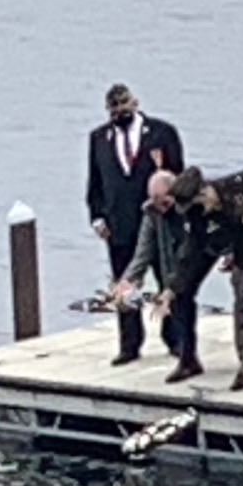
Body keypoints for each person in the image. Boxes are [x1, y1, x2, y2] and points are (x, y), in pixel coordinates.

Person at [85, 84, 185, 365]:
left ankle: (175, 338)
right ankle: (129, 345)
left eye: (124, 103)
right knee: (124, 283)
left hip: (161, 221)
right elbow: (95, 184)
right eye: (114, 106)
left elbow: (179, 177)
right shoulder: (98, 139)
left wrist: (177, 214)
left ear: (135, 102)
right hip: (120, 225)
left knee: (169, 278)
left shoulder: (162, 133)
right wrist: (97, 217)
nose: (120, 110)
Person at [168, 167, 243, 391]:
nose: (197, 211)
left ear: (203, 194)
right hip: (212, 242)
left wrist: (238, 256)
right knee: (180, 290)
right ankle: (187, 358)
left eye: (197, 205)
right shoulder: (195, 212)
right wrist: (173, 286)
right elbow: (192, 247)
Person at [112, 170, 199, 382]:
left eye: (165, 202)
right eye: (156, 201)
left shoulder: (191, 207)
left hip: (196, 251)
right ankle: (186, 357)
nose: (161, 207)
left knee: (182, 294)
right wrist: (127, 283)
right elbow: (142, 253)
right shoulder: (152, 212)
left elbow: (193, 249)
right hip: (171, 259)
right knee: (180, 300)